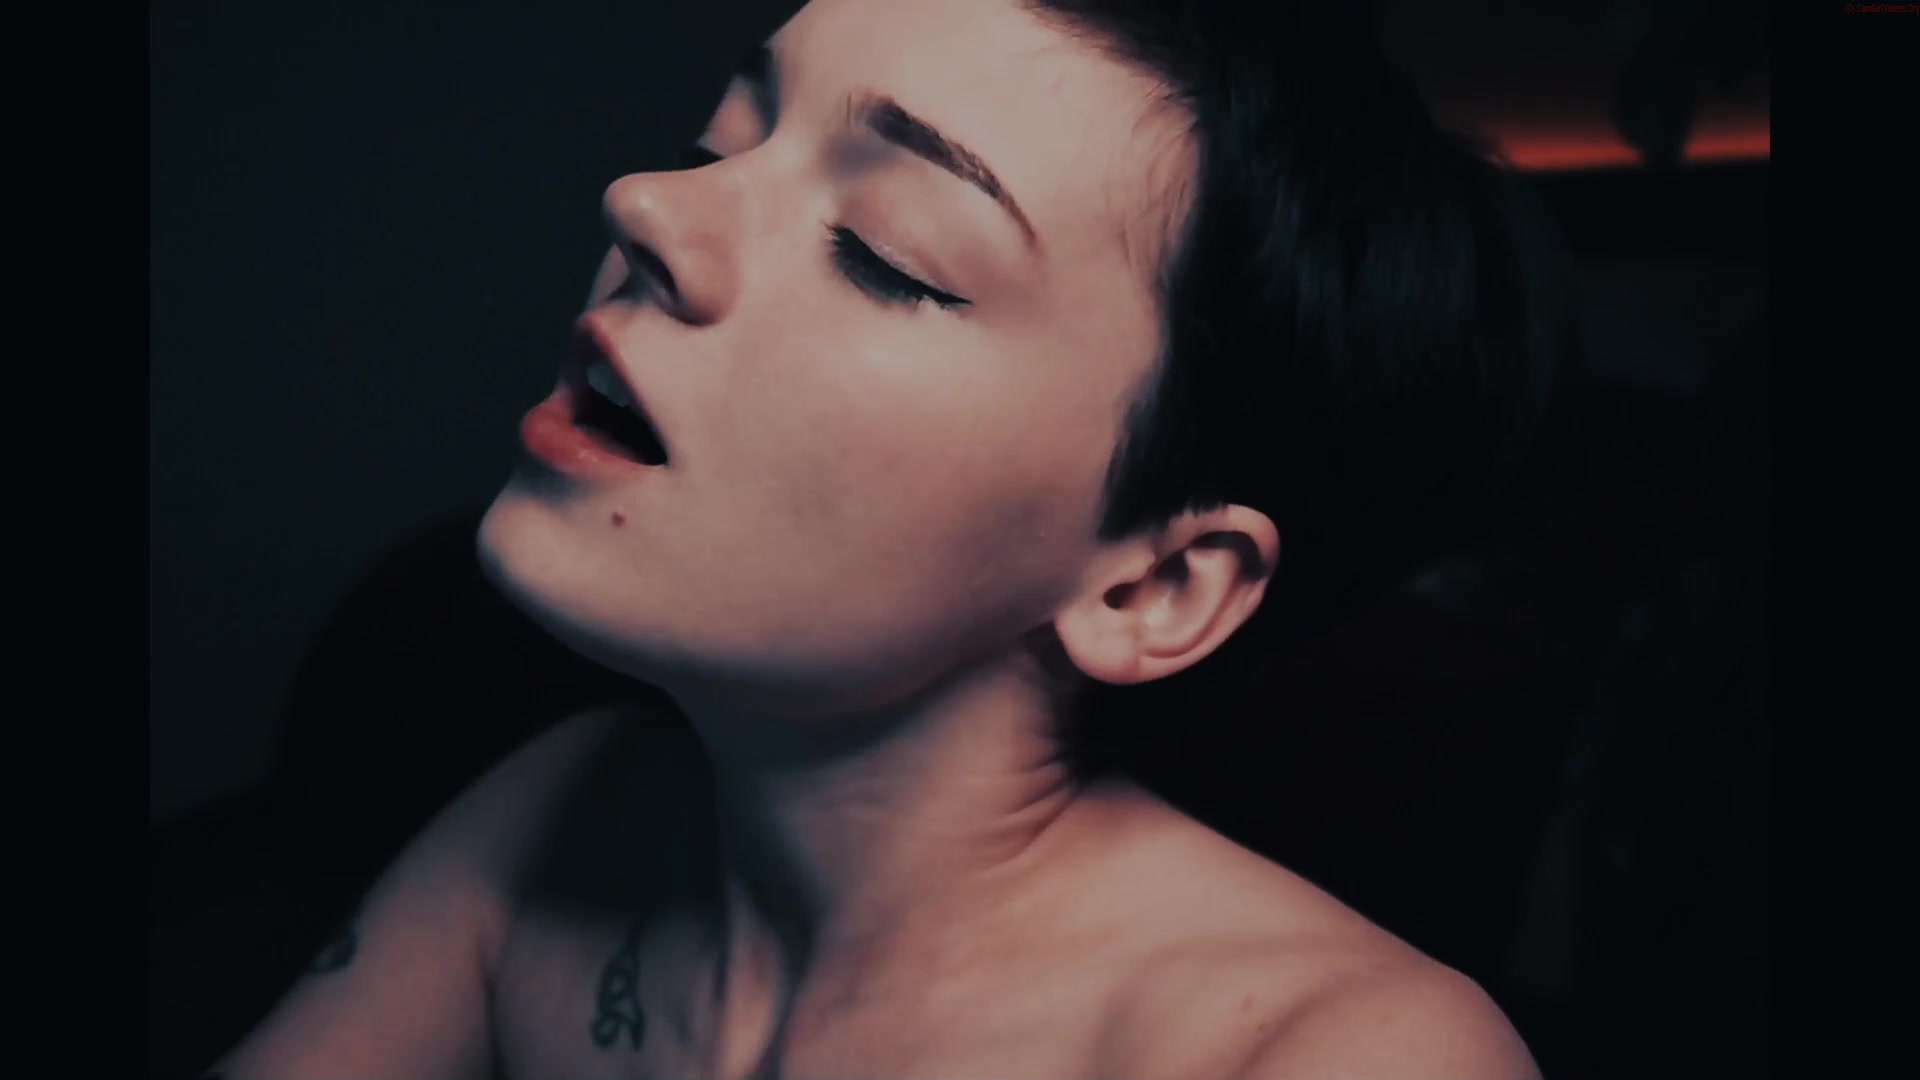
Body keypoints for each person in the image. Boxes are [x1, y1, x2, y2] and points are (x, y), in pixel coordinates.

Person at [209, 0, 1568, 1076]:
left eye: (885, 252)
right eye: (720, 144)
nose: (648, 203)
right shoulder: (558, 821)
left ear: (1156, 585)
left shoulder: (1341, 1055)